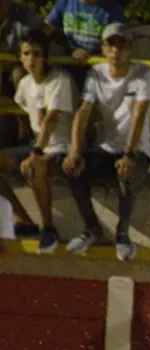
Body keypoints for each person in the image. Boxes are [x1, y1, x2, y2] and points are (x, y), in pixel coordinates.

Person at [62, 23, 150, 261]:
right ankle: (91, 228)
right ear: (103, 49)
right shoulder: (96, 73)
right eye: (110, 45)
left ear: (131, 48)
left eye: (121, 45)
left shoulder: (145, 73)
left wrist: (130, 155)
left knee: (127, 174)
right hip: (109, 147)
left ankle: (122, 233)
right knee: (72, 169)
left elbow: (139, 115)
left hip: (138, 148)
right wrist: (75, 152)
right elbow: (83, 113)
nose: (116, 51)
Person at [0, 30, 75, 252]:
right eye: (26, 54)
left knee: (34, 167)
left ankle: (48, 229)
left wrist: (36, 152)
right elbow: (19, 104)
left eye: (36, 54)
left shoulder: (59, 80)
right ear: (20, 57)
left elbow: (51, 120)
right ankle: (24, 220)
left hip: (63, 148)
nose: (31, 59)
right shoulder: (25, 84)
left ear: (45, 57)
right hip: (40, 146)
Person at [44, 0, 124, 78]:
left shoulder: (113, 7)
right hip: (68, 68)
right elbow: (46, 29)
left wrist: (92, 56)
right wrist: (73, 49)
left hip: (99, 71)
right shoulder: (65, 2)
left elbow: (119, 43)